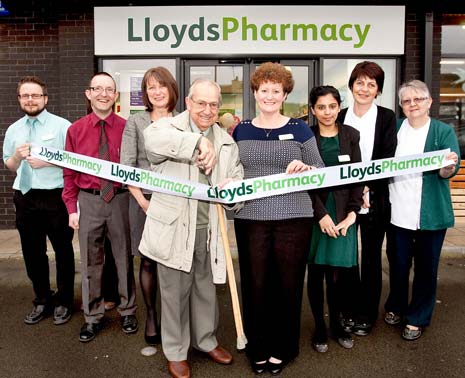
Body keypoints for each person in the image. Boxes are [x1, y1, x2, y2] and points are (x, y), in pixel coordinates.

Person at [139, 78, 243, 378]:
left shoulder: (226, 141)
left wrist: (233, 190)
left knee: (206, 290)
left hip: (209, 229)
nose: (207, 110)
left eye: (213, 104)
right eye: (201, 103)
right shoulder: (167, 128)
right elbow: (152, 142)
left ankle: (205, 341)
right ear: (188, 102)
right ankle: (175, 351)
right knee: (174, 294)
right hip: (173, 228)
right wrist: (198, 142)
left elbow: (236, 176)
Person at [232, 62, 324, 375]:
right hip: (251, 218)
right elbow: (233, 172)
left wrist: (306, 169)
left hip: (294, 217)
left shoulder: (300, 129)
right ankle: (257, 347)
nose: (270, 95)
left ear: (285, 94)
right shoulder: (241, 129)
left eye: (276, 90)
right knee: (256, 284)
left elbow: (321, 173)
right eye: (264, 90)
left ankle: (284, 347)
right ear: (255, 93)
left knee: (287, 285)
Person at [62, 72, 137, 343]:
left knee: (123, 258)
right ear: (89, 93)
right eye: (98, 89)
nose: (104, 94)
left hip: (120, 199)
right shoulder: (75, 130)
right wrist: (72, 208)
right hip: (89, 200)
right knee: (91, 262)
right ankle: (92, 316)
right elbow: (69, 173)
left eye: (109, 89)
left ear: (116, 96)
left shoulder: (127, 128)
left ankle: (128, 310)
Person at [384, 79, 460, 341]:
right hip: (397, 213)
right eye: (407, 100)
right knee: (398, 266)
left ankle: (417, 317)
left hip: (431, 215)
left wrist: (447, 168)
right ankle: (396, 305)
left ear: (429, 102)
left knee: (426, 269)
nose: (412, 104)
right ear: (401, 106)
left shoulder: (441, 131)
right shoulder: (394, 129)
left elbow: (451, 165)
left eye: (418, 99)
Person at [3, 76, 75, 326]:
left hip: (55, 197)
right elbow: (10, 166)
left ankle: (65, 301)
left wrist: (48, 161)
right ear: (20, 99)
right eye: (25, 95)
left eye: (35, 95)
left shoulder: (62, 126)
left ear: (45, 98)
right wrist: (16, 156)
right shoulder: (14, 130)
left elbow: (74, 161)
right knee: (33, 253)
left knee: (63, 251)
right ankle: (42, 299)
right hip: (25, 198)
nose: (30, 100)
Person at [120, 66, 179, 348]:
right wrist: (143, 202)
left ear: (171, 89)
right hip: (143, 200)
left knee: (175, 261)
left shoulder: (184, 120)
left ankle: (173, 317)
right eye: (150, 87)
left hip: (179, 200)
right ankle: (152, 315)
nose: (156, 91)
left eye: (161, 86)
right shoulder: (136, 122)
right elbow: (127, 166)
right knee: (148, 260)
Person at [337, 61, 397, 335]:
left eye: (371, 84)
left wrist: (366, 188)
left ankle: (367, 314)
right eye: (359, 82)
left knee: (372, 258)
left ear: (378, 90)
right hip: (343, 200)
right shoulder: (340, 117)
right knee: (346, 259)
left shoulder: (386, 118)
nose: (364, 88)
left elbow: (387, 157)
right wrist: (354, 191)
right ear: (351, 86)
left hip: (375, 199)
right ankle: (346, 309)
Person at [306, 86, 364, 353]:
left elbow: (357, 176)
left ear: (338, 107)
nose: (327, 112)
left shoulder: (351, 135)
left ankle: (338, 325)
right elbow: (303, 182)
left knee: (339, 276)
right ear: (313, 110)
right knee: (316, 273)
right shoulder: (306, 137)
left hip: (343, 215)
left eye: (331, 106)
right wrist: (321, 215)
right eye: (321, 107)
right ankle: (319, 326)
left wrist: (353, 212)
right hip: (315, 213)